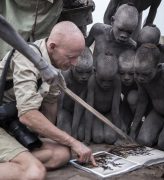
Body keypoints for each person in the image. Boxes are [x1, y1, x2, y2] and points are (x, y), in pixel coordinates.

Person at [0, 21, 96, 180]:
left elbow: (50, 106)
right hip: (7, 122)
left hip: (8, 123)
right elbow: (27, 115)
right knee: (34, 172)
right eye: (71, 57)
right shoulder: (27, 57)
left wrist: (62, 141)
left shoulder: (54, 67)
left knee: (61, 154)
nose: (75, 63)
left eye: (78, 57)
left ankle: (16, 164)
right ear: (52, 47)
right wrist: (73, 141)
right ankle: (25, 167)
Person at [130, 43, 164, 151]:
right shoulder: (140, 75)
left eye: (145, 74)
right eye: (137, 73)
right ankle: (159, 134)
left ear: (157, 67)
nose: (140, 78)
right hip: (157, 113)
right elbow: (142, 102)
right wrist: (133, 129)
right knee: (143, 141)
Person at [86, 3, 138, 68]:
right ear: (112, 21)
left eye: (129, 32)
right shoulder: (98, 30)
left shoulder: (131, 47)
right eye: (120, 29)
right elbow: (83, 48)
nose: (124, 35)